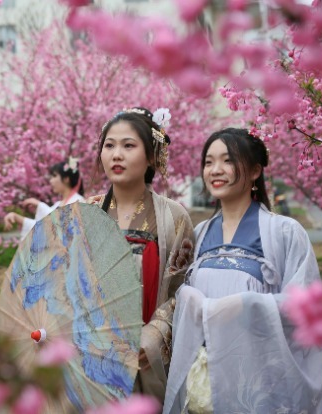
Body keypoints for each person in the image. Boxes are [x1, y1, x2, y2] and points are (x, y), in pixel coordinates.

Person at [163, 128, 322, 413]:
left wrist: (246, 304)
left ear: (254, 171)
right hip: (203, 386)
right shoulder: (198, 234)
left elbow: (306, 308)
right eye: (209, 162)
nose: (216, 170)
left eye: (228, 160)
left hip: (259, 383)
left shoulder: (284, 233)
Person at [86, 107, 195, 403]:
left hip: (143, 361)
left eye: (128, 145)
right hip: (90, 358)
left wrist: (155, 333)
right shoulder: (86, 214)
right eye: (109, 145)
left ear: (151, 156)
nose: (116, 155)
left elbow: (183, 291)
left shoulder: (173, 218)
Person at [4, 157, 85, 239]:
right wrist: (16, 217)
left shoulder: (78, 201)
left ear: (66, 179)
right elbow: (42, 227)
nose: (51, 181)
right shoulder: (59, 204)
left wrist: (39, 204)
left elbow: (60, 227)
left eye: (54, 176)